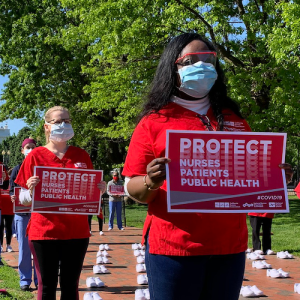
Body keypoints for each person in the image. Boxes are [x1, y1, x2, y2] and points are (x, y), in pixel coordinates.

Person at [122, 33, 293, 300]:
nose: (201, 66)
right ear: (173, 67)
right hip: (174, 248)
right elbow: (133, 188)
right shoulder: (154, 121)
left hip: (229, 247)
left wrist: (274, 178)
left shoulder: (233, 118)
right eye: (191, 60)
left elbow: (250, 181)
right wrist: (150, 181)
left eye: (208, 59)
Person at [15, 106, 106, 300]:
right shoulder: (35, 156)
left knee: (70, 286)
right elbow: (22, 199)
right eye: (58, 121)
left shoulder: (82, 155)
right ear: (46, 127)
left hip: (77, 232)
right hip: (44, 232)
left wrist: (99, 190)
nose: (64, 125)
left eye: (68, 121)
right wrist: (31, 192)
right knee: (46, 287)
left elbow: (88, 194)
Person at [10, 138, 38, 291]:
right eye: (28, 147)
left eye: (33, 147)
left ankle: (40, 281)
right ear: (22, 150)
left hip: (38, 214)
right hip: (22, 214)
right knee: (24, 248)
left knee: (39, 249)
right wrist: (12, 196)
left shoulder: (41, 168)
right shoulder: (17, 169)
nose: (30, 149)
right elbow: (11, 190)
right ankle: (25, 280)